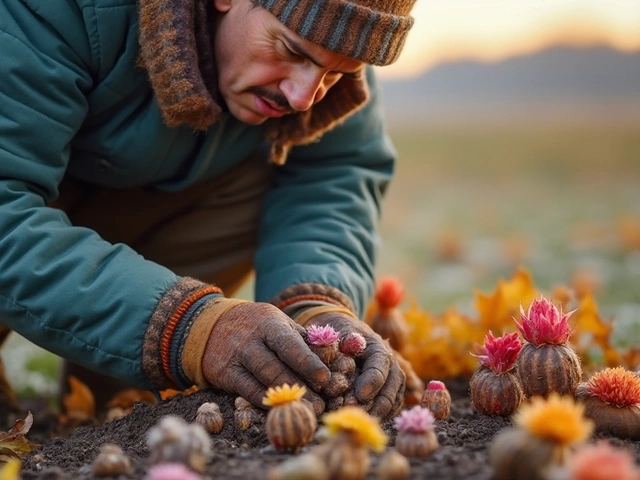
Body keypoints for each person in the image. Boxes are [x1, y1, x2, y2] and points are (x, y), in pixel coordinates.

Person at [0, 0, 417, 421]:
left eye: (335, 73)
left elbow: (330, 179)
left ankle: (118, 402)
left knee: (130, 426)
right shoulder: (56, 11)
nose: (303, 97)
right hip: (25, 204)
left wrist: (315, 310)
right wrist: (192, 329)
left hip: (120, 200)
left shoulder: (329, 42)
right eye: (291, 51)